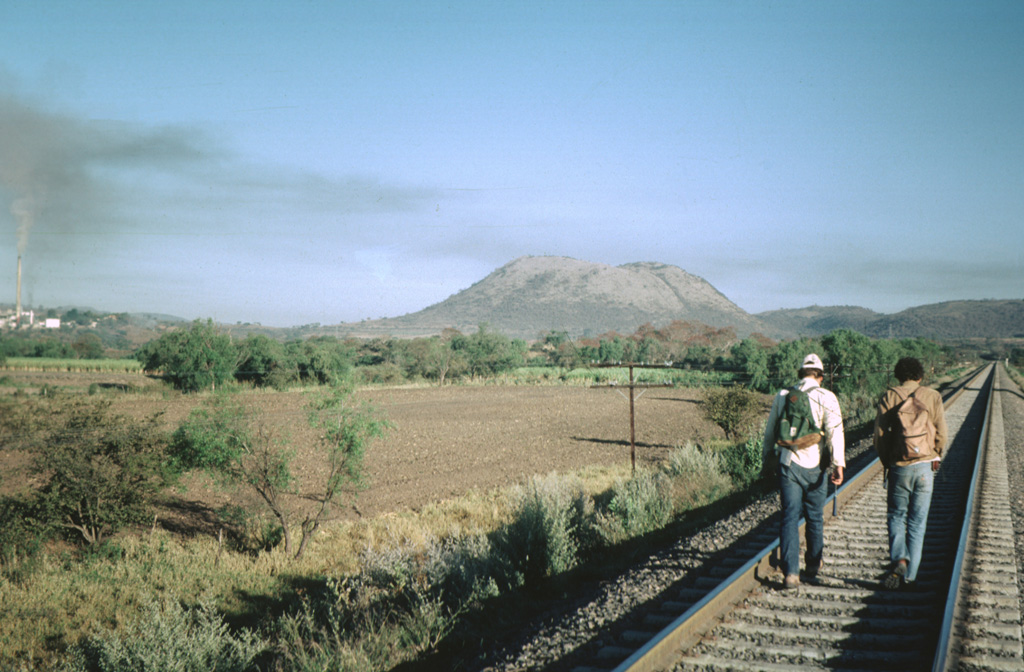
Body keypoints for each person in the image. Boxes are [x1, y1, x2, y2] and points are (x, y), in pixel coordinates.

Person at [762, 353, 846, 589]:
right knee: (814, 515)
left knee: (789, 516)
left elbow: (770, 431)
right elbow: (835, 433)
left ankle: (790, 573)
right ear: (819, 376)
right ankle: (812, 565)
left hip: (789, 463)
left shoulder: (784, 395)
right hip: (817, 466)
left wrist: (766, 457)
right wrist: (838, 463)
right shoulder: (827, 397)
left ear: (801, 374)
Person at [874, 357, 947, 590]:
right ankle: (910, 576)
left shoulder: (890, 396)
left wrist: (889, 462)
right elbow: (942, 433)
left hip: (899, 467)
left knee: (896, 516)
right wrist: (936, 454)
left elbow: (879, 437)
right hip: (925, 467)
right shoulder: (932, 396)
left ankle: (900, 559)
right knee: (918, 522)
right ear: (920, 376)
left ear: (898, 375)